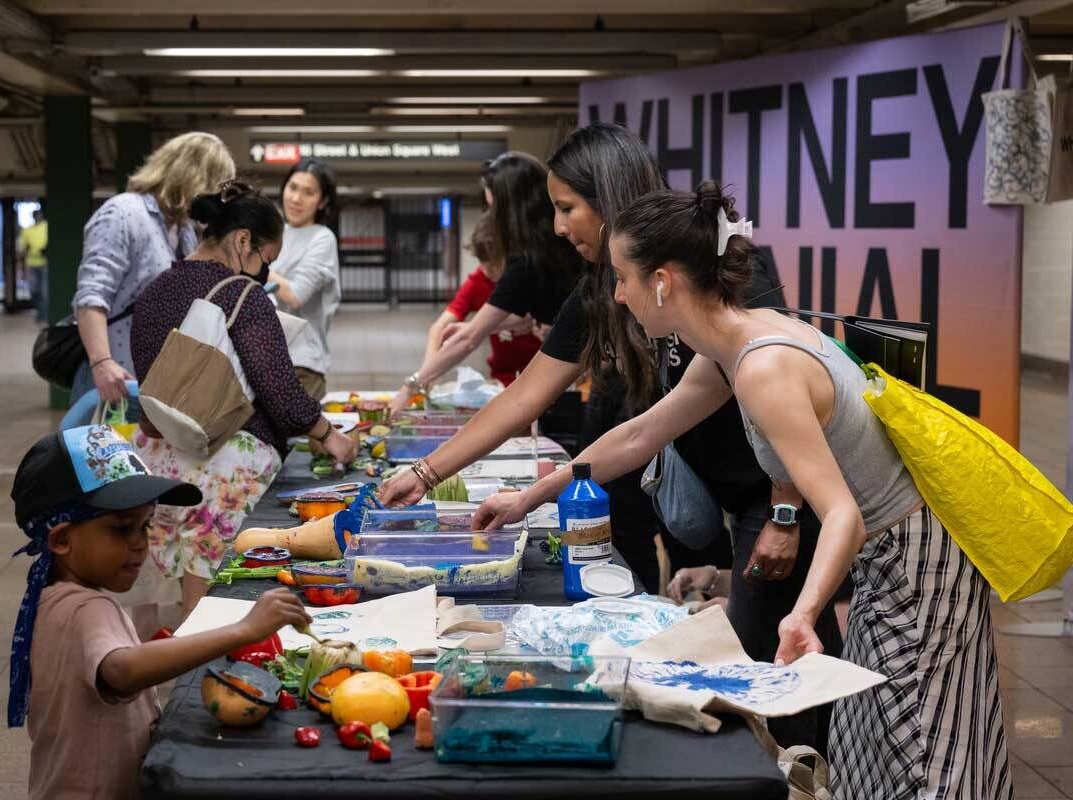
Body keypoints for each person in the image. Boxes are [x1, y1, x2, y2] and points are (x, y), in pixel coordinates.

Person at [474, 183, 1012, 800]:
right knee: (872, 740)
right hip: (891, 556)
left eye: (622, 277)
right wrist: (529, 498)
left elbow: (840, 515)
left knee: (924, 748)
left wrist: (804, 614)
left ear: (663, 282)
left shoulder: (761, 366)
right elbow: (641, 435)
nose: (616, 293)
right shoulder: (733, 343)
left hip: (917, 565)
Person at [381, 123, 840, 753]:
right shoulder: (608, 287)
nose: (557, 227)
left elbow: (786, 402)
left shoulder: (716, 267)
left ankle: (793, 773)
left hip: (784, 490)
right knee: (764, 656)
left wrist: (784, 512)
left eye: (567, 208)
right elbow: (591, 415)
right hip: (729, 492)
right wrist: (449, 478)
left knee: (776, 665)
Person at [7, 424, 312, 800]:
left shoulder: (52, 597)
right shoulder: (87, 609)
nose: (140, 544)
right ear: (62, 539)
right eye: (121, 529)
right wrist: (244, 630)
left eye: (145, 525)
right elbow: (123, 669)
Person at [130, 181, 357, 615]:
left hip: (160, 462)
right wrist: (330, 435)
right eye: (264, 259)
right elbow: (280, 390)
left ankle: (157, 674)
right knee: (211, 604)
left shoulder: (154, 292)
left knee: (167, 588)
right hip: (222, 466)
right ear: (242, 240)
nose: (262, 272)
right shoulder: (242, 294)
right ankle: (200, 675)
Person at [388, 150, 583, 417]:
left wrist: (410, 387)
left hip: (584, 371)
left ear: (509, 208)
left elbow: (469, 340)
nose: (491, 215)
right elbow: (526, 316)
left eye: (493, 207)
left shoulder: (528, 261)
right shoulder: (554, 247)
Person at [72, 131, 237, 405]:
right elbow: (91, 297)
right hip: (113, 379)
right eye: (214, 188)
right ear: (194, 178)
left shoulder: (183, 228)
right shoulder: (123, 213)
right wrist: (102, 362)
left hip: (154, 383)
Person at [423, 211, 540, 387]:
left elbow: (529, 318)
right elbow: (439, 328)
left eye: (494, 263)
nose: (488, 271)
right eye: (482, 262)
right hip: (504, 377)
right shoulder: (478, 282)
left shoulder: (531, 278)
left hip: (544, 372)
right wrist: (427, 374)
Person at [265, 158, 342, 400]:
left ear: (323, 201)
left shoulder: (322, 238)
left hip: (302, 365)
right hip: (262, 360)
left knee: (298, 438)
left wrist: (253, 263)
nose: (296, 198)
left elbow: (296, 295)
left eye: (308, 192)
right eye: (293, 187)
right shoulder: (272, 232)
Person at [17, 202, 48, 323]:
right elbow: (21, 247)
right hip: (32, 263)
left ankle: (44, 316)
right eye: (35, 215)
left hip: (45, 264)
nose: (37, 217)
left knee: (45, 292)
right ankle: (40, 311)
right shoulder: (27, 230)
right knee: (34, 290)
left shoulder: (47, 226)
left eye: (38, 215)